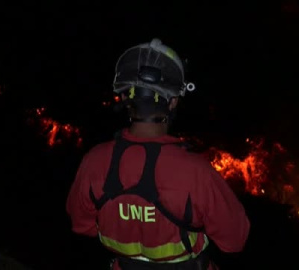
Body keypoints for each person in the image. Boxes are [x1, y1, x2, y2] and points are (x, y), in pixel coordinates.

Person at [66, 38, 250, 270]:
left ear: (123, 97)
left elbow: (82, 226)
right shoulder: (196, 171)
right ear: (173, 102)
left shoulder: (94, 161)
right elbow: (235, 240)